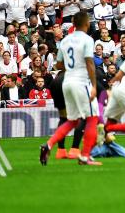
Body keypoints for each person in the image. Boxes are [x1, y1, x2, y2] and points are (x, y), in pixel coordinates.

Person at [40, 12, 102, 166]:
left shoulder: (65, 40)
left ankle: (48, 145)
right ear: (87, 23)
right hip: (81, 83)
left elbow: (58, 65)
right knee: (93, 118)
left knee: (72, 120)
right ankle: (84, 156)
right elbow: (89, 63)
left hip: (67, 82)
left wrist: (71, 65)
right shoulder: (87, 40)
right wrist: (94, 85)